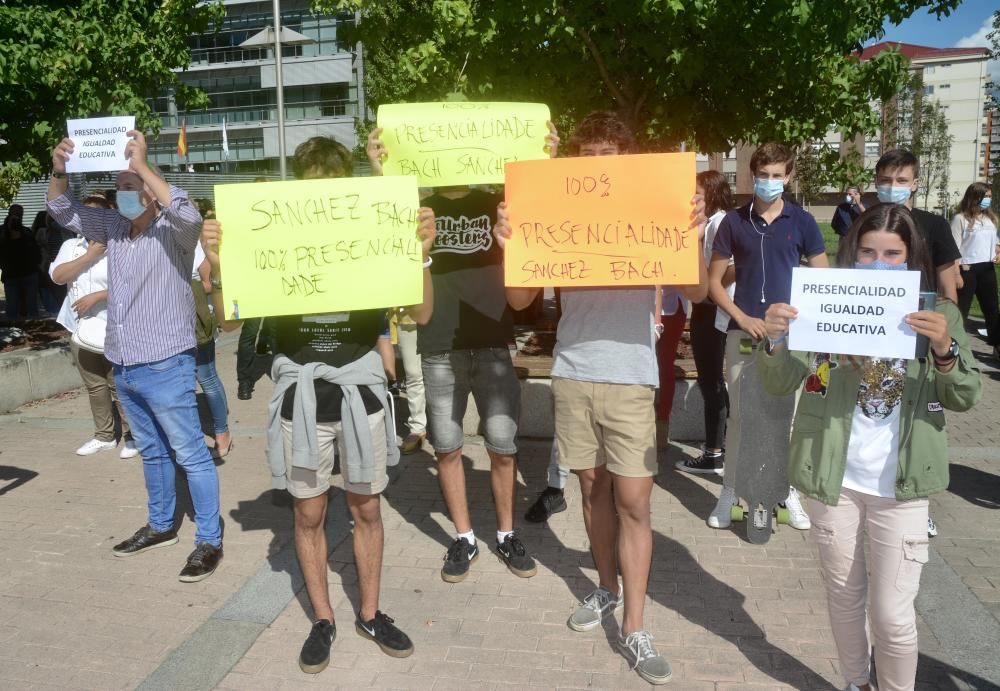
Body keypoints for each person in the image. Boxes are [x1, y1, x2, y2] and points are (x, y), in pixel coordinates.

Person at [202, 135, 436, 673]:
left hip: (359, 398)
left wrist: (419, 253)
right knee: (309, 512)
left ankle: (371, 613)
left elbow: (421, 314)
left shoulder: (370, 240)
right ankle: (323, 619)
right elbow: (231, 321)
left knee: (367, 508)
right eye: (311, 194)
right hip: (302, 402)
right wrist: (215, 265)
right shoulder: (272, 243)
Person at [496, 111, 708, 685]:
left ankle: (636, 626)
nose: (596, 173)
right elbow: (519, 299)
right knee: (591, 489)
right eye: (586, 161)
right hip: (572, 371)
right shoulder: (553, 211)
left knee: (635, 501)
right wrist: (511, 241)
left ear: (627, 166)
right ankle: (606, 588)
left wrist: (691, 229)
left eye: (607, 161)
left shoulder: (655, 210)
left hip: (632, 374)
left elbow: (695, 290)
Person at [760, 203, 981, 691]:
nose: (879, 263)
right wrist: (774, 339)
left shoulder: (937, 315)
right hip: (831, 479)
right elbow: (779, 382)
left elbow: (965, 395)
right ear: (852, 253)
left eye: (892, 254)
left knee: (893, 616)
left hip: (900, 487)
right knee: (843, 597)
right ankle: (857, 683)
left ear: (911, 258)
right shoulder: (824, 303)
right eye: (867, 251)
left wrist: (945, 350)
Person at [366, 121, 559, 586]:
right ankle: (465, 536)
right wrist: (379, 168)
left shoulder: (498, 202)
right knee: (448, 449)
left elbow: (536, 202)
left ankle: (507, 534)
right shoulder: (418, 205)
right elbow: (384, 213)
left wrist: (546, 161)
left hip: (494, 343)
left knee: (503, 449)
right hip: (437, 347)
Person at [48, 131, 223, 583]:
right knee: (153, 453)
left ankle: (208, 539)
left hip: (166, 362)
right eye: (121, 185)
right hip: (123, 362)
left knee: (190, 454)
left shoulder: (176, 232)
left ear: (150, 189)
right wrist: (59, 169)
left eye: (130, 185)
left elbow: (187, 210)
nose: (123, 193)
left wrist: (143, 164)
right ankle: (162, 525)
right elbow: (61, 209)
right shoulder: (113, 229)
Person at [707, 142, 828, 530]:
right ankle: (729, 493)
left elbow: (824, 280)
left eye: (778, 176)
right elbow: (713, 284)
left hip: (789, 338)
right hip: (742, 334)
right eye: (764, 175)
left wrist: (805, 323)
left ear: (789, 177)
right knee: (740, 417)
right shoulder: (733, 222)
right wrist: (742, 317)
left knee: (785, 418)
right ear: (752, 176)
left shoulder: (803, 221)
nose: (770, 182)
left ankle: (786, 492)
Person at [49, 195, 138, 459]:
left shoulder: (122, 243)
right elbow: (57, 276)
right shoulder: (71, 246)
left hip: (114, 326)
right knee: (94, 385)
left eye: (91, 217)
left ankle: (135, 436)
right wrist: (89, 256)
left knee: (119, 384)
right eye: (82, 217)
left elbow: (134, 286)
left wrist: (98, 297)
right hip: (79, 327)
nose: (84, 222)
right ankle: (104, 435)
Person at [676, 170, 735, 475]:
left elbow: (733, 269)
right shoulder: (711, 223)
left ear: (711, 193)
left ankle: (714, 452)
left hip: (713, 309)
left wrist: (712, 287)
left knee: (710, 381)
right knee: (711, 381)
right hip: (707, 308)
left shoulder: (718, 223)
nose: (693, 197)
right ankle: (720, 445)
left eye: (697, 192)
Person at [874, 149, 960, 303]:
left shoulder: (935, 224)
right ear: (876, 182)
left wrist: (950, 323)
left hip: (919, 316)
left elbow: (948, 288)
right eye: (886, 180)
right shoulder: (863, 223)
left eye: (901, 181)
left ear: (914, 184)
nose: (893, 186)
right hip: (872, 312)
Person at [190, 240, 232, 458]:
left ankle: (221, 431)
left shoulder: (197, 248)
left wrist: (177, 285)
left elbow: (210, 284)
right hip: (166, 323)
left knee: (206, 378)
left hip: (196, 324)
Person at [951, 182, 999, 357]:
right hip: (967, 269)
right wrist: (956, 273)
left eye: (990, 196)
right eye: (985, 196)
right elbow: (953, 249)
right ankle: (958, 347)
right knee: (962, 310)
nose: (988, 200)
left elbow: (994, 240)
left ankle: (996, 345)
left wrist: (997, 249)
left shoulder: (991, 219)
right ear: (975, 197)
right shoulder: (960, 219)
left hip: (987, 268)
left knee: (992, 309)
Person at [1, 204, 42, 320]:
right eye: (14, 214)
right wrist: (7, 231)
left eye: (19, 214)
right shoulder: (2, 232)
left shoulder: (27, 232)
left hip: (29, 273)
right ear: (9, 214)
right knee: (12, 307)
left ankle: (34, 333)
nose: (17, 217)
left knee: (31, 307)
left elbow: (35, 251)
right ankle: (13, 330)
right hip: (11, 274)